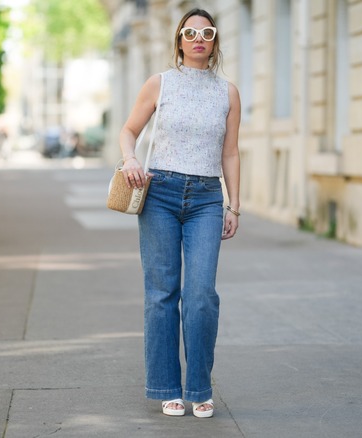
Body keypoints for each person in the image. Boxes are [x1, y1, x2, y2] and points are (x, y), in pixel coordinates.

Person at [118, 8, 241, 419]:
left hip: (207, 197)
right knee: (162, 294)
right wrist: (129, 160)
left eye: (206, 31)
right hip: (161, 195)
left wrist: (233, 205)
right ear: (180, 40)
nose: (198, 38)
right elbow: (128, 130)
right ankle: (168, 387)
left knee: (202, 295)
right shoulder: (160, 84)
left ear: (215, 40)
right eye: (190, 32)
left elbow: (230, 152)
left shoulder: (228, 93)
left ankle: (200, 387)